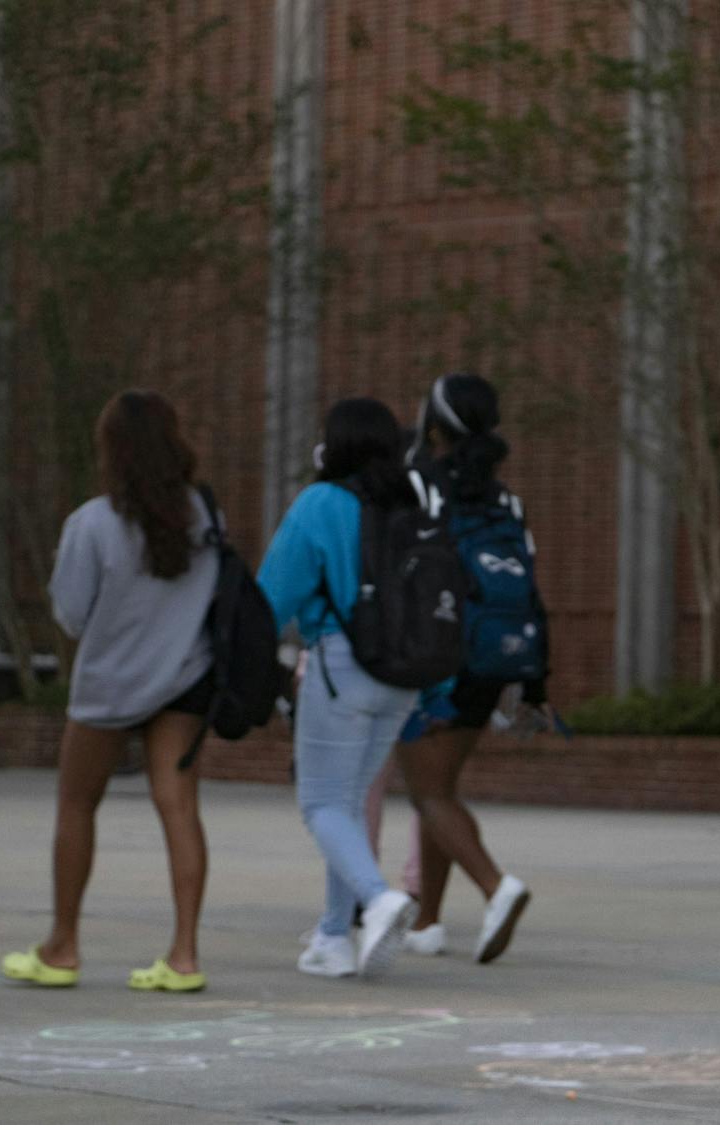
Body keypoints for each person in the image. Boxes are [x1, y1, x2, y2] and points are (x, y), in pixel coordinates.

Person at [1, 389, 217, 993]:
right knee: (179, 810)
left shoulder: (92, 523)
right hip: (184, 680)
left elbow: (71, 616)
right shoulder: (203, 516)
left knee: (76, 805)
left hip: (109, 688)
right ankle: (184, 955)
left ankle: (63, 946)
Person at [258, 397, 421, 979]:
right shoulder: (412, 502)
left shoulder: (320, 503)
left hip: (340, 666)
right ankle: (333, 937)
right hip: (403, 677)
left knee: (321, 803)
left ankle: (378, 899)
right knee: (346, 804)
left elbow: (272, 597)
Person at [397, 373, 552, 963]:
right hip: (495, 659)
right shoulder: (505, 498)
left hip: (436, 660)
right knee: (440, 788)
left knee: (427, 791)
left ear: (432, 427)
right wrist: (534, 684)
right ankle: (428, 922)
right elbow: (531, 593)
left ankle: (496, 886)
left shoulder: (419, 487)